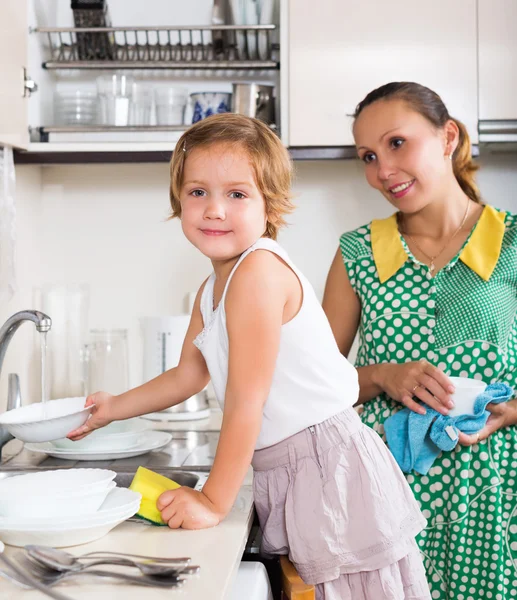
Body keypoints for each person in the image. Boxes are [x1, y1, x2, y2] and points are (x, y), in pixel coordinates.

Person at [68, 113, 430, 599]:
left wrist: (212, 501)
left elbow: (246, 402)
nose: (214, 210)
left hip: (326, 462)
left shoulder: (258, 272)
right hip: (293, 466)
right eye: (198, 192)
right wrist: (112, 408)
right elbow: (187, 376)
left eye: (237, 194)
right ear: (179, 201)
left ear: (270, 206)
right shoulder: (212, 288)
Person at [323, 81, 517, 600]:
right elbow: (313, 385)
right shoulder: (357, 254)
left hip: (493, 495)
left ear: (447, 136)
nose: (382, 170)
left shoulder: (513, 243)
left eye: (396, 143)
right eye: (367, 155)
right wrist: (382, 375)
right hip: (385, 491)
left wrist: (512, 409)